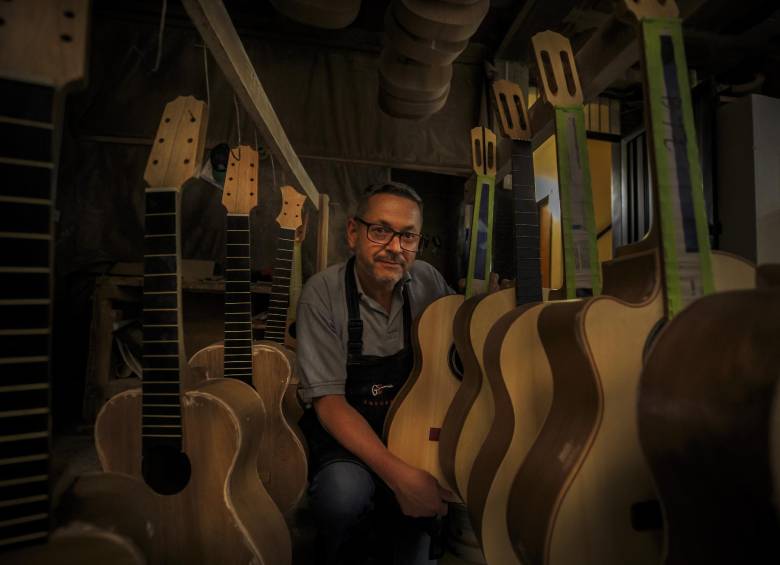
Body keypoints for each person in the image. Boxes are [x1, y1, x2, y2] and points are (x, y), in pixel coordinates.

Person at [296, 182, 453, 565]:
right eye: (380, 231)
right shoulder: (322, 293)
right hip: (346, 436)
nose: (395, 247)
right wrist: (401, 477)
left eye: (408, 236)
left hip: (413, 432)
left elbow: (458, 350)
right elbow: (329, 403)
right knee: (342, 497)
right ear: (353, 232)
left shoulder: (429, 283)